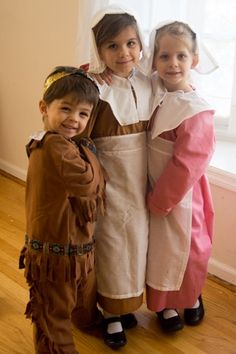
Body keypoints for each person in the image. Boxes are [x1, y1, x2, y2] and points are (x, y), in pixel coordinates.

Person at [80, 4, 153, 349]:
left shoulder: (148, 80)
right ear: (98, 51)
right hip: (111, 179)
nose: (124, 53)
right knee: (110, 246)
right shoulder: (94, 86)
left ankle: (126, 304)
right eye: (112, 46)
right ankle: (109, 312)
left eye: (130, 43)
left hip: (141, 180)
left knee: (136, 245)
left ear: (140, 45)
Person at [19, 66, 106, 354]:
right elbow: (88, 184)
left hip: (74, 247)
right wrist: (92, 152)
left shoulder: (67, 143)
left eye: (83, 114)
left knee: (79, 297)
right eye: (66, 108)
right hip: (56, 251)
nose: (74, 119)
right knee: (53, 315)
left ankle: (87, 322)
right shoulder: (55, 145)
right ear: (44, 107)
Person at [146, 21, 216, 332]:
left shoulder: (195, 109)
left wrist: (162, 201)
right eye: (164, 56)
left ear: (194, 61)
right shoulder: (152, 89)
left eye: (181, 56)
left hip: (182, 194)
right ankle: (165, 304)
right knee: (160, 249)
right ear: (154, 60)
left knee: (190, 247)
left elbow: (188, 163)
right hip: (153, 183)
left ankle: (190, 296)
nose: (172, 64)